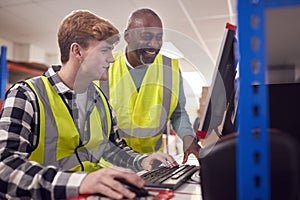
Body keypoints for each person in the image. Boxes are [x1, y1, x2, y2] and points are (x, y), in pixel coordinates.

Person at [0, 10, 177, 200]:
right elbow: (4, 167)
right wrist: (81, 182)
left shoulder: (100, 100)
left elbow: (112, 148)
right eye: (104, 50)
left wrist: (142, 161)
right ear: (77, 51)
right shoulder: (27, 95)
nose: (111, 58)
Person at [101, 8, 201, 163]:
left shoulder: (170, 69)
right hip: (111, 164)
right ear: (127, 36)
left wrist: (189, 139)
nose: (154, 44)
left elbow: (178, 113)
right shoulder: (105, 66)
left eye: (159, 37)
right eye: (146, 36)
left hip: (153, 162)